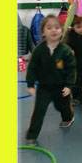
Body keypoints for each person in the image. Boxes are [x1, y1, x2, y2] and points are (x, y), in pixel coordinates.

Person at [24, 15, 76, 145]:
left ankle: (68, 118)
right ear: (43, 32)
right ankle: (32, 135)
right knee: (39, 111)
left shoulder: (65, 51)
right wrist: (30, 84)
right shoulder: (38, 51)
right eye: (49, 27)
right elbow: (32, 68)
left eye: (57, 27)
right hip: (44, 88)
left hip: (61, 87)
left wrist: (69, 85)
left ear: (61, 31)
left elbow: (71, 69)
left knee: (62, 106)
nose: (53, 30)